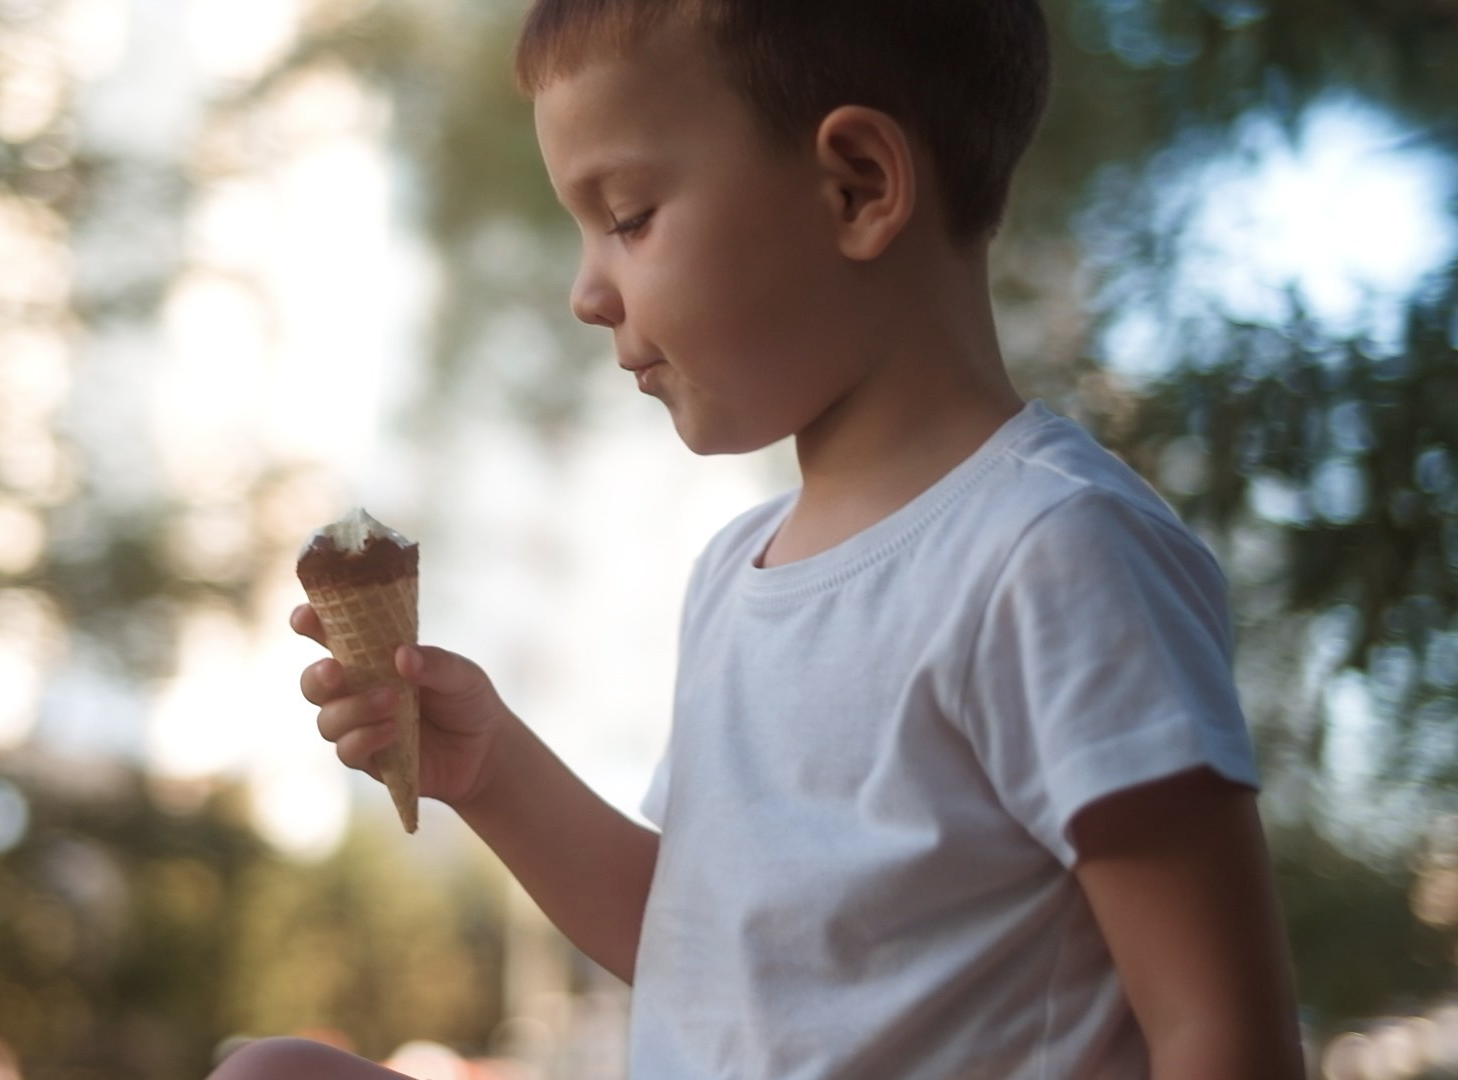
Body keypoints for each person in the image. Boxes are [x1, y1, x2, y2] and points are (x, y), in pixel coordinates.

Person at [213, 0, 1305, 1075]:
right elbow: (708, 961)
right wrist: (491, 770)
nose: (586, 293)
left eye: (628, 217)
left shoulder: (1053, 552)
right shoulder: (734, 572)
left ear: (856, 187)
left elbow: (1221, 1031)